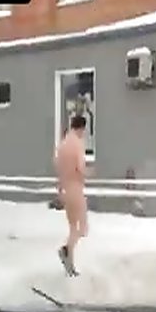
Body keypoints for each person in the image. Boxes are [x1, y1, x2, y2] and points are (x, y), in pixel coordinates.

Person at [54, 115, 89, 276]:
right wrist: (89, 174)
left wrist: (60, 189)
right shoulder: (77, 144)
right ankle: (66, 250)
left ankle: (70, 264)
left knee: (73, 227)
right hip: (75, 188)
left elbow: (59, 167)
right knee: (82, 228)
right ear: (81, 128)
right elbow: (80, 168)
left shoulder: (63, 145)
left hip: (66, 189)